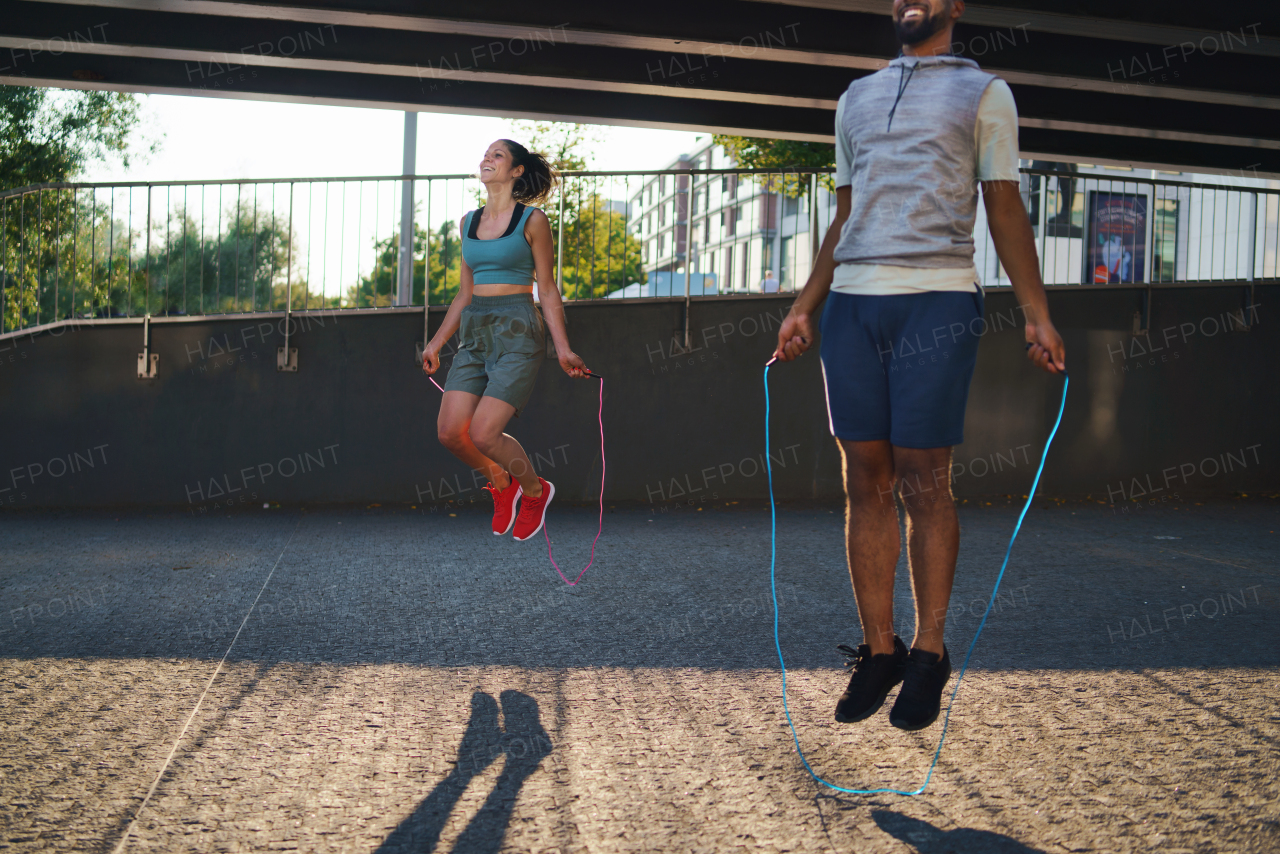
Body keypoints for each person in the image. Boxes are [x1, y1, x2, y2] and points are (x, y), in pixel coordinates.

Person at [771, 0, 1066, 731]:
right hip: (850, 303)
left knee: (922, 477)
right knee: (862, 476)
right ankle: (882, 651)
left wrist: (1036, 311)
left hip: (936, 298)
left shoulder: (985, 93)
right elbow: (845, 212)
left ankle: (930, 652)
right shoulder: (856, 97)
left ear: (954, 6)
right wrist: (806, 304)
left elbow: (1003, 204)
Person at [423, 139, 590, 541]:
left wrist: (563, 348)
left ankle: (535, 491)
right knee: (450, 433)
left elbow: (547, 289)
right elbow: (464, 294)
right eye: (486, 153)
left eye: (497, 155)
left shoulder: (532, 220)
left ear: (516, 171)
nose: (487, 158)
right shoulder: (467, 223)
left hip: (518, 329)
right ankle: (502, 482)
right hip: (475, 330)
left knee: (483, 433)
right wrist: (436, 343)